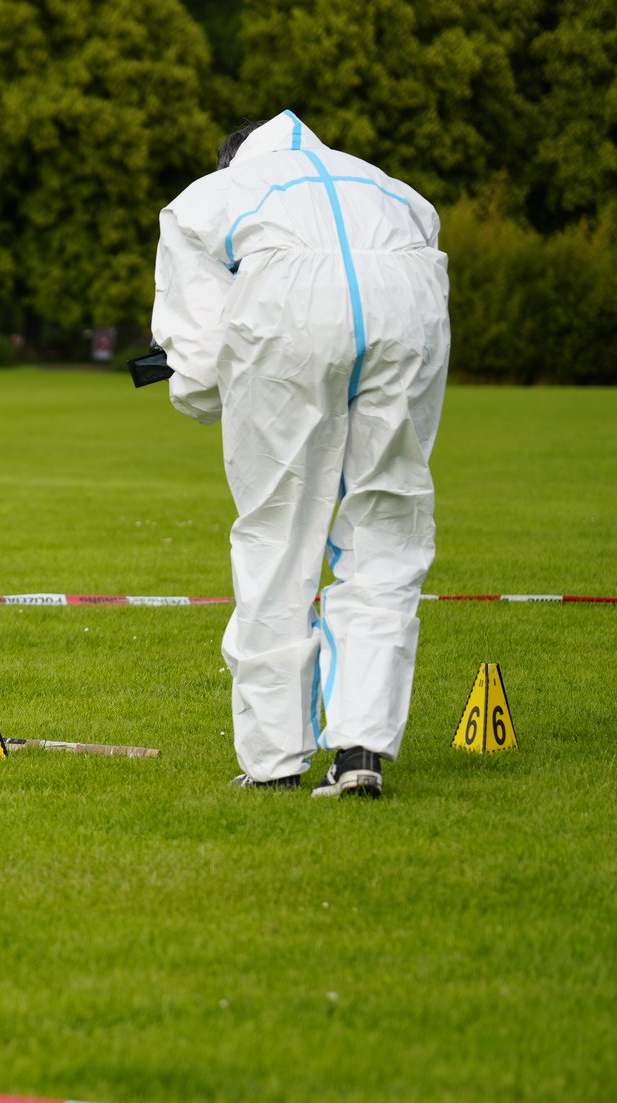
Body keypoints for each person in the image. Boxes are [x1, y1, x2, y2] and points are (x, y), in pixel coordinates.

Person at [151, 110, 449, 798]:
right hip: (410, 304)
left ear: (234, 158)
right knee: (387, 524)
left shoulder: (211, 195)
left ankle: (274, 761)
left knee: (278, 535)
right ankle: (361, 751)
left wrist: (199, 386)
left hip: (289, 312)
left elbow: (194, 358)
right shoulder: (391, 187)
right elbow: (426, 246)